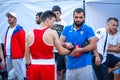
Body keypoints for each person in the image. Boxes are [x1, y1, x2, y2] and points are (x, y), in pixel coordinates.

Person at [25, 10, 75, 80]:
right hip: (48, 67)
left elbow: (27, 54)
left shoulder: (29, 34)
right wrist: (71, 50)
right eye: (53, 21)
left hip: (34, 67)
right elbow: (61, 51)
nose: (53, 24)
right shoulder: (52, 33)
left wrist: (28, 68)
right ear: (47, 20)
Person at [60, 8, 97, 80]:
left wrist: (79, 50)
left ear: (84, 17)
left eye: (80, 17)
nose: (78, 19)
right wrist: (65, 44)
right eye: (76, 17)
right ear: (73, 17)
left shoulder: (88, 29)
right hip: (70, 66)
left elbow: (93, 45)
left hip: (85, 66)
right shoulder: (67, 29)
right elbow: (59, 42)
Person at [4, 12, 25, 80]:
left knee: (19, 74)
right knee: (10, 74)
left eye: (11, 17)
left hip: (16, 56)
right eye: (8, 17)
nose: (9, 18)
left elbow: (23, 44)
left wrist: (20, 55)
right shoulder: (8, 29)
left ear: (15, 19)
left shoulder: (20, 30)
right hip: (8, 55)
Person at [51, 5, 66, 80]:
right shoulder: (49, 23)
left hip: (60, 50)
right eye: (54, 14)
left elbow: (66, 38)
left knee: (60, 71)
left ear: (60, 13)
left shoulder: (64, 24)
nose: (56, 15)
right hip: (51, 50)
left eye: (57, 13)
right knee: (51, 70)